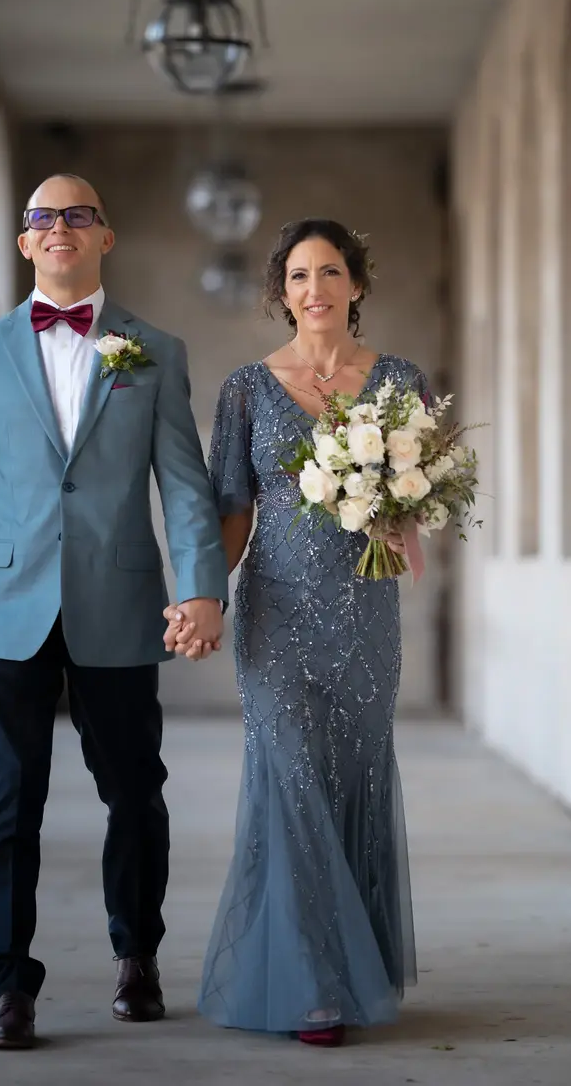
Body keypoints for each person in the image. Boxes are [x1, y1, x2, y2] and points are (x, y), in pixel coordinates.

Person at [0, 173, 228, 1050]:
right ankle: (9, 984)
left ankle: (138, 955)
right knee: (9, 801)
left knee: (135, 792)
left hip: (119, 601)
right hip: (11, 604)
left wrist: (201, 587)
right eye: (43, 218)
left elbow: (185, 484)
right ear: (25, 243)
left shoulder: (153, 350)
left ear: (104, 237)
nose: (60, 228)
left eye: (77, 215)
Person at [166, 219, 426, 1046]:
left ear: (357, 283)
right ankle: (314, 983)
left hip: (364, 615)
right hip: (274, 613)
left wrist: (400, 515)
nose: (316, 288)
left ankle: (350, 966)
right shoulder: (247, 388)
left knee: (352, 778)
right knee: (292, 781)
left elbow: (420, 498)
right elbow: (232, 512)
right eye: (300, 275)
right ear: (282, 292)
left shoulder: (399, 382)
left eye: (331, 271)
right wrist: (201, 596)